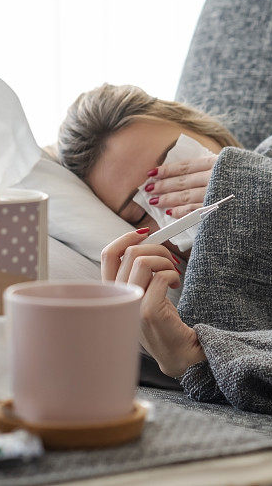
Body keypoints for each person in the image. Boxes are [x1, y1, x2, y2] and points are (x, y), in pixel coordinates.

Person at [58, 83, 240, 377]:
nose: (185, 204)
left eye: (180, 163)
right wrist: (188, 361)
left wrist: (263, 184)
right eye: (141, 212)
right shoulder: (202, 316)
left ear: (204, 130)